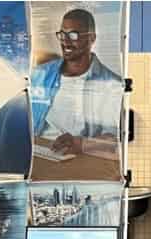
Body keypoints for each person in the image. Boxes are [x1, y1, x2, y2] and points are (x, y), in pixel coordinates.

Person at [29, 8, 122, 162]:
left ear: (91, 38)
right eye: (62, 34)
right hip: (39, 156)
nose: (65, 41)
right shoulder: (41, 74)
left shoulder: (111, 84)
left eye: (73, 35)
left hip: (80, 161)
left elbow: (113, 140)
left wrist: (81, 144)